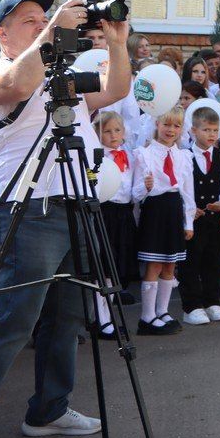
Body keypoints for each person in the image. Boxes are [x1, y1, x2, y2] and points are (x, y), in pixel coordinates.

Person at [0, 0, 131, 437]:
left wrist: (117, 42)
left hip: (77, 201)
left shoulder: (60, 74)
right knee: (14, 318)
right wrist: (53, 31)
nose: (40, 24)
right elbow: (14, 87)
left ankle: (49, 409)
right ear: (2, 34)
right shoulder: (1, 68)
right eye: (29, 20)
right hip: (28, 207)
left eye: (44, 18)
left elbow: (114, 90)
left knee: (67, 318)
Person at [133, 106, 196, 336]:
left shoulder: (183, 156)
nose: (171, 130)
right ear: (156, 125)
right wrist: (145, 187)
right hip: (155, 210)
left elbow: (187, 192)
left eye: (176, 126)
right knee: (154, 263)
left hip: (173, 210)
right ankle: (147, 316)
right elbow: (135, 193)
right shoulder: (144, 153)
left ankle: (162, 311)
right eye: (166, 124)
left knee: (171, 264)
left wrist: (188, 222)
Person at [179, 106, 220, 325]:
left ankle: (212, 301)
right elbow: (180, 186)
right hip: (193, 218)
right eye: (206, 129)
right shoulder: (184, 156)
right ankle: (191, 306)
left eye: (215, 130)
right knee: (191, 262)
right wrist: (188, 208)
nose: (211, 135)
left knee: (212, 259)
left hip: (213, 218)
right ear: (193, 131)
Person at [92, 111, 138, 339]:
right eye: (107, 131)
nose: (113, 135)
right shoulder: (96, 157)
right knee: (103, 267)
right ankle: (101, 320)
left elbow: (133, 186)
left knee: (117, 266)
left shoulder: (129, 155)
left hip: (123, 213)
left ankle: (107, 317)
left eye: (117, 130)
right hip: (104, 212)